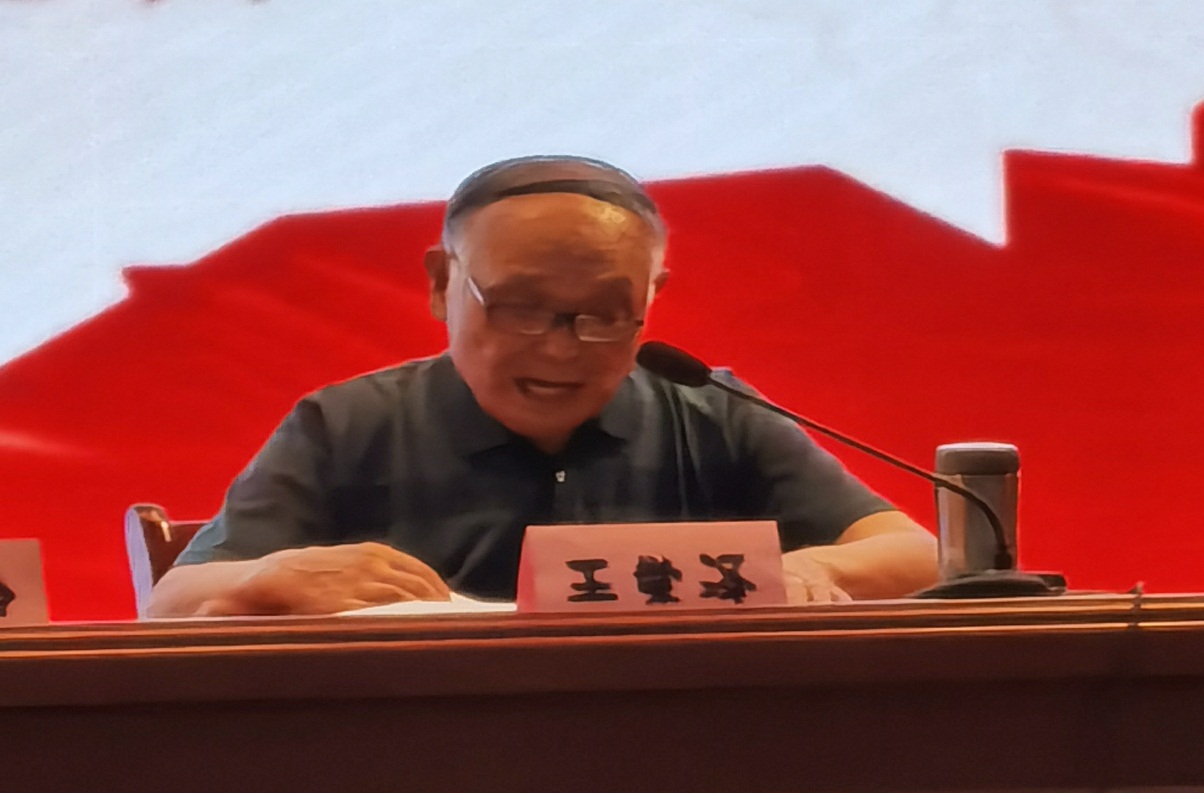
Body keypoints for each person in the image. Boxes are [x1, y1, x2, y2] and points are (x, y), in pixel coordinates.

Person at [147, 155, 937, 617]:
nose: (562, 348)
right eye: (521, 308)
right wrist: (266, 576)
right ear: (440, 284)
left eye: (605, 314)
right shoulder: (346, 424)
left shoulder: (710, 411)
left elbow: (920, 555)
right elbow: (171, 601)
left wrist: (819, 570)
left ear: (653, 298)